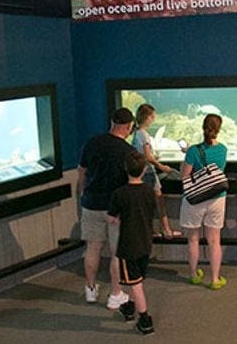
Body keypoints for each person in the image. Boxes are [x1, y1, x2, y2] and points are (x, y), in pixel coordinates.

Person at [78, 108, 136, 309]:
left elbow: (82, 173)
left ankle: (90, 290)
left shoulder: (92, 143)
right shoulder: (128, 151)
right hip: (115, 209)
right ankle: (115, 293)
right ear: (129, 127)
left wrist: (83, 195)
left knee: (92, 248)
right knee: (116, 253)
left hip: (91, 203)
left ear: (112, 122)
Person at [109, 151, 158, 335]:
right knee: (137, 278)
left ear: (125, 169)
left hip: (128, 245)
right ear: (144, 170)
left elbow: (111, 218)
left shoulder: (119, 194)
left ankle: (144, 320)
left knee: (135, 283)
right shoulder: (149, 192)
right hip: (146, 242)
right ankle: (129, 307)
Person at [180, 113, 228, 290]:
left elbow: (185, 176)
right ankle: (215, 279)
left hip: (195, 198)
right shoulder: (223, 150)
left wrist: (184, 159)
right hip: (216, 198)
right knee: (214, 240)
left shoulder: (193, 150)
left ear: (203, 128)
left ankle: (194, 275)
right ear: (219, 130)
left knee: (193, 239)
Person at [131, 104, 180, 238]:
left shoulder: (137, 133)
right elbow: (147, 157)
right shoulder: (143, 135)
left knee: (148, 202)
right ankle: (166, 230)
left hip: (142, 171)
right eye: (152, 115)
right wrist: (161, 166)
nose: (154, 118)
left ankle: (152, 230)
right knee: (158, 201)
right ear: (147, 117)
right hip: (148, 172)